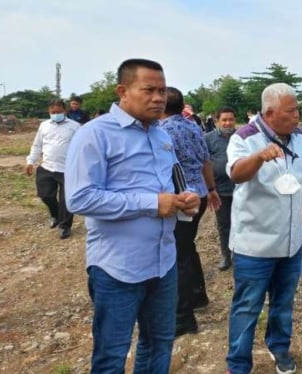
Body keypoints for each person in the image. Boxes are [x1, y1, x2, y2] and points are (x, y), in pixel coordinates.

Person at [65, 58, 201, 373]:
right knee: (111, 356)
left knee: (158, 344)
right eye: (149, 90)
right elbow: (80, 197)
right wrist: (152, 203)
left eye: (163, 90)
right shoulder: (95, 135)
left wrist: (185, 200)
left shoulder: (161, 135)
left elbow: (171, 185)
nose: (158, 98)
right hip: (117, 268)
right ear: (123, 91)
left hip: (163, 262)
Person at [225, 83, 302, 374]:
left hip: (291, 241)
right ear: (271, 112)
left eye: (297, 108)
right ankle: (238, 363)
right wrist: (259, 157)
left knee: (284, 302)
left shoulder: (299, 138)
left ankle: (279, 348)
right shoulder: (245, 137)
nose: (297, 115)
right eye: (292, 110)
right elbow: (236, 174)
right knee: (247, 306)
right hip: (256, 244)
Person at [159, 87, 222, 337]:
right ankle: (197, 296)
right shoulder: (193, 126)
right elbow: (205, 161)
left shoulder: (160, 132)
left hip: (181, 199)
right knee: (187, 247)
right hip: (201, 194)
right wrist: (211, 189)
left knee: (178, 255)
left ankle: (183, 317)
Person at [25, 98, 80, 239]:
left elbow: (82, 147)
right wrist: (30, 160)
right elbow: (37, 145)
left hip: (68, 170)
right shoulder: (44, 125)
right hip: (47, 167)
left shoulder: (75, 126)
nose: (56, 114)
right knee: (46, 196)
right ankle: (55, 215)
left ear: (65, 111)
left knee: (66, 200)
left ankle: (64, 226)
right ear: (49, 112)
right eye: (53, 112)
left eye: (58, 111)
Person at [204, 107, 237, 271]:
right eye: (224, 120)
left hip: (241, 188)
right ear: (217, 121)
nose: (228, 123)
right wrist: (209, 189)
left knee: (241, 222)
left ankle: (240, 254)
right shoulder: (208, 139)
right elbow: (204, 163)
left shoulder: (241, 137)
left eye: (230, 119)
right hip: (220, 190)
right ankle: (226, 254)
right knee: (224, 224)